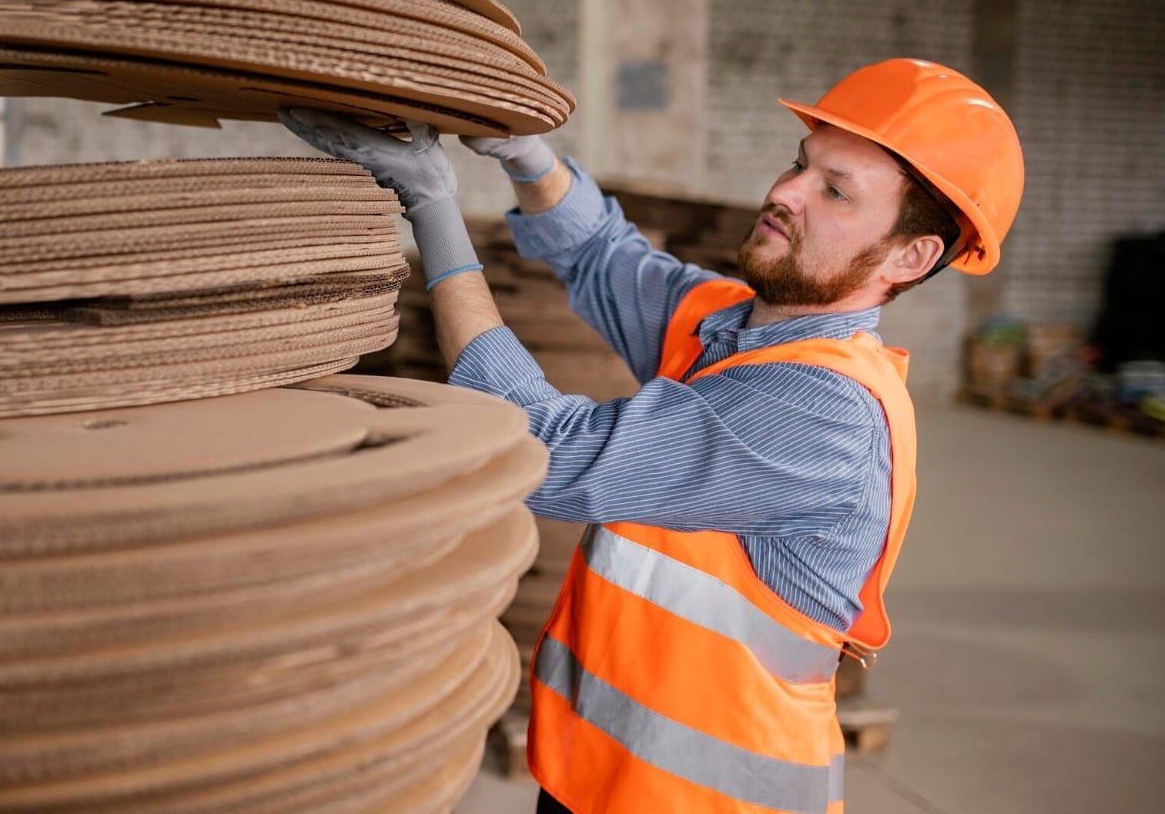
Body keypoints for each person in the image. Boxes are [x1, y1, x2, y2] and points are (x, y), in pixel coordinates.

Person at [280, 58, 1024, 814]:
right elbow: (605, 257)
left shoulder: (819, 416)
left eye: (834, 191)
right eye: (800, 165)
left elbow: (548, 447)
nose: (783, 193)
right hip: (599, 773)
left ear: (912, 255)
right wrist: (525, 153)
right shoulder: (735, 326)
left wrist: (433, 208)